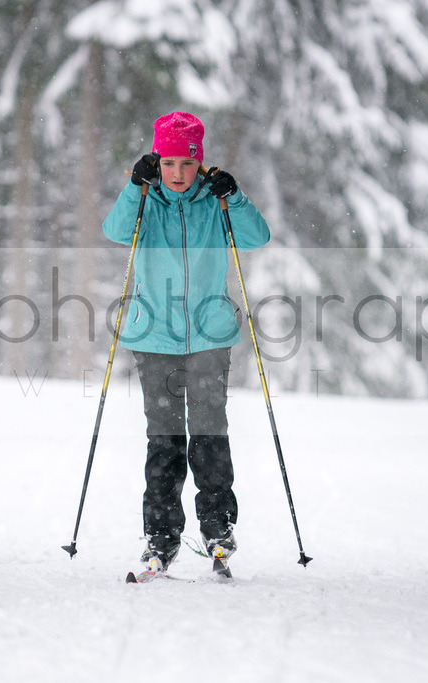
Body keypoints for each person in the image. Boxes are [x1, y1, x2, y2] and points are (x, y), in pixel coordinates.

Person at [102, 111, 270, 574]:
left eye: (187, 164)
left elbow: (256, 237)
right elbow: (115, 231)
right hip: (155, 338)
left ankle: (218, 529)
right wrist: (133, 187)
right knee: (165, 440)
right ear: (157, 162)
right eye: (169, 163)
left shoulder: (215, 203)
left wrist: (234, 196)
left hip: (209, 337)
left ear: (200, 163)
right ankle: (161, 537)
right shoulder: (146, 201)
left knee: (210, 434)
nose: (178, 173)